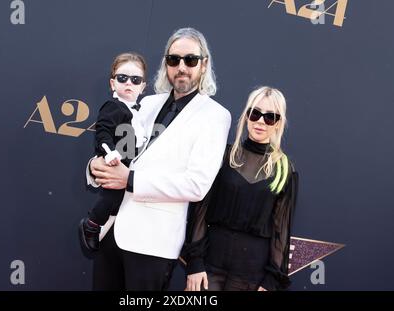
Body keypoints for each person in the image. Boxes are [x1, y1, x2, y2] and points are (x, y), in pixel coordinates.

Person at [85, 27, 231, 290]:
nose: (182, 67)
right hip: (112, 231)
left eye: (190, 60)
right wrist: (95, 167)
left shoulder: (215, 116)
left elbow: (196, 185)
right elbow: (123, 150)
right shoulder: (148, 103)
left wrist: (130, 181)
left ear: (204, 64)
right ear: (166, 64)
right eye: (174, 60)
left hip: (153, 243)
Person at [182, 86, 299, 291]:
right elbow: (200, 210)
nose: (260, 121)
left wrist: (271, 282)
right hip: (211, 264)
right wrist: (195, 262)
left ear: (278, 123)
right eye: (255, 113)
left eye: (270, 117)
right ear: (246, 116)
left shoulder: (284, 170)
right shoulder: (223, 156)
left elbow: (281, 230)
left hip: (252, 272)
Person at [79, 52, 147, 252]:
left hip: (130, 168)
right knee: (111, 198)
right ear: (112, 83)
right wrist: (109, 154)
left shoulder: (141, 111)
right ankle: (91, 225)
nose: (128, 83)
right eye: (122, 78)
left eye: (135, 80)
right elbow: (103, 132)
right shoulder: (112, 107)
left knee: (117, 202)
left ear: (143, 87)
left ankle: (98, 229)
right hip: (116, 163)